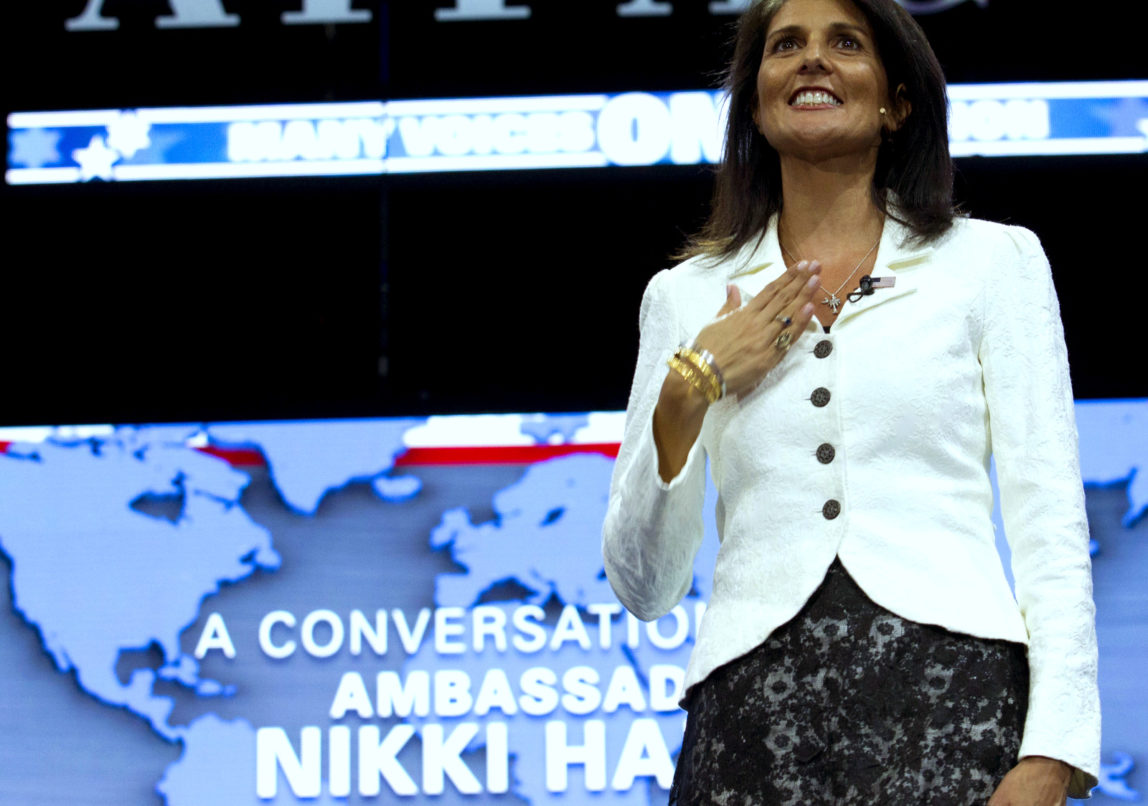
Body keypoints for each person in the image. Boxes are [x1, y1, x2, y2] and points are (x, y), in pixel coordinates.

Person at [600, 0, 1100, 803]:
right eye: (786, 45)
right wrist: (687, 392)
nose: (811, 60)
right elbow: (643, 587)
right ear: (757, 105)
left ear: (897, 101)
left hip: (953, 697)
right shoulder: (685, 298)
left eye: (845, 42)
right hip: (750, 719)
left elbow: (1051, 525)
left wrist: (1055, 749)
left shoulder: (992, 263)